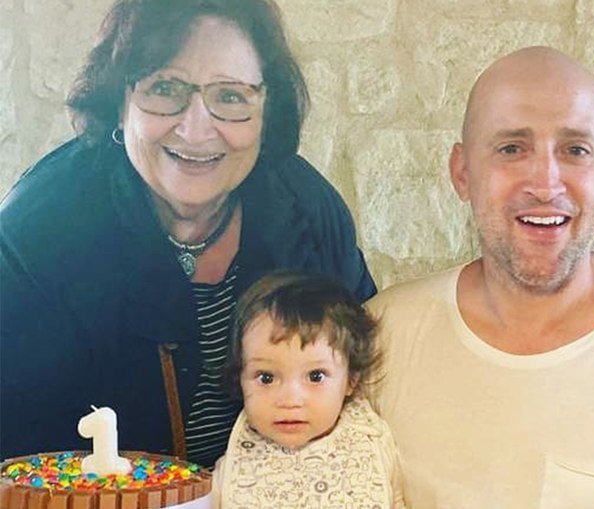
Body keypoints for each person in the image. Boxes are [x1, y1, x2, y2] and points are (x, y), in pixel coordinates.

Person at [0, 0, 375, 466]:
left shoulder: (310, 214)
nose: (196, 130)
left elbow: (364, 376)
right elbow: (15, 452)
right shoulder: (38, 233)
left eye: (231, 96)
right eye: (164, 88)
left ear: (267, 112)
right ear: (119, 103)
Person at [366, 46, 594, 509]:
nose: (545, 184)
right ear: (462, 172)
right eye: (512, 149)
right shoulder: (380, 338)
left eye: (575, 150)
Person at [212, 271, 404, 507]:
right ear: (240, 377)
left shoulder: (368, 441)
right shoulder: (231, 471)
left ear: (351, 380)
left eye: (315, 376)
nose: (290, 400)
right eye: (266, 377)